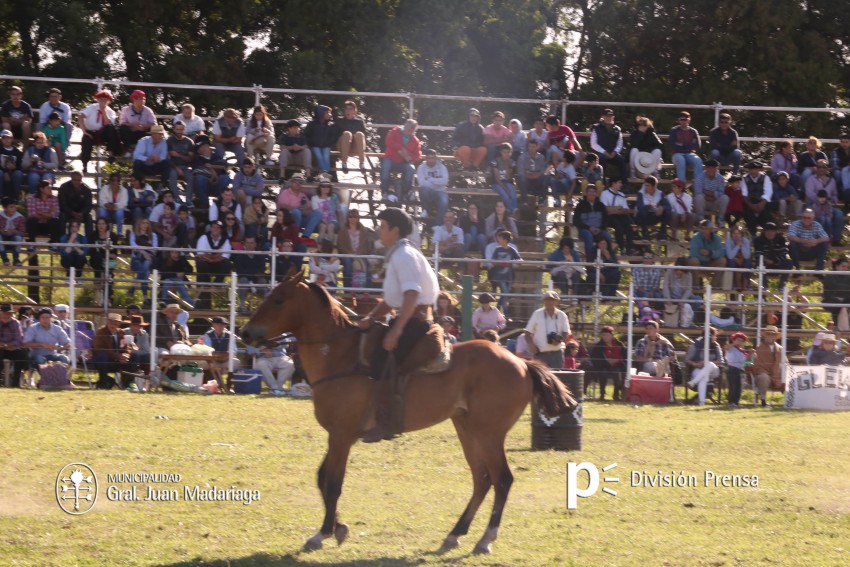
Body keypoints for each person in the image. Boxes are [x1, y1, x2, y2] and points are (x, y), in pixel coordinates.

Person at [356, 207, 439, 442]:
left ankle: (386, 422)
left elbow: (412, 294)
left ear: (395, 230)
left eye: (382, 226)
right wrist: (370, 317)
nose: (379, 230)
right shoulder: (398, 254)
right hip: (409, 316)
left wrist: (397, 330)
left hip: (415, 321)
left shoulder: (404, 256)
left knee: (382, 357)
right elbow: (393, 299)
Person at [523, 290, 571, 369]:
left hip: (557, 354)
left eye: (552, 300)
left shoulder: (562, 315)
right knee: (539, 380)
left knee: (557, 378)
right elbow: (527, 332)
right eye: (546, 299)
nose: (549, 302)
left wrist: (558, 340)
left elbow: (566, 332)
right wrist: (531, 345)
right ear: (543, 301)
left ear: (557, 301)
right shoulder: (537, 314)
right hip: (540, 354)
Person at [92, 313, 140, 389]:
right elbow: (98, 348)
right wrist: (118, 356)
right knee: (102, 355)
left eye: (116, 323)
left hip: (117, 361)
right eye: (111, 323)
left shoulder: (121, 332)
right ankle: (103, 383)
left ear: (119, 324)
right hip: (104, 361)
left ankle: (129, 384)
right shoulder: (100, 332)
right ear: (107, 322)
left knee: (134, 356)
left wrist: (126, 355)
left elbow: (126, 347)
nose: (113, 325)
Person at [77, 90, 121, 173]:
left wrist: (103, 110)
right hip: (90, 132)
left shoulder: (110, 111)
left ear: (108, 101)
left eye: (105, 100)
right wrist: (84, 131)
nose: (103, 101)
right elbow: (80, 117)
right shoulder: (92, 107)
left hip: (102, 134)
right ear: (97, 99)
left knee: (111, 129)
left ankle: (111, 154)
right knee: (85, 140)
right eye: (101, 99)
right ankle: (85, 165)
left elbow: (108, 123)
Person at [804, 160, 844, 245]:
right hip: (814, 205)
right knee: (819, 217)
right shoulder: (811, 179)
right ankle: (817, 239)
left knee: (839, 214)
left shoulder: (832, 180)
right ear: (816, 168)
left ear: (827, 169)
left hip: (828, 205)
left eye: (824, 167)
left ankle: (836, 240)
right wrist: (820, 198)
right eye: (819, 167)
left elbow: (835, 194)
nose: (821, 169)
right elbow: (809, 193)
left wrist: (834, 199)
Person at [380, 119, 421, 202]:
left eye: (412, 129)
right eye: (409, 127)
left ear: (414, 130)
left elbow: (418, 156)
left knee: (411, 168)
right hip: (390, 159)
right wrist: (400, 148)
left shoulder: (415, 141)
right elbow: (388, 141)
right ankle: (384, 192)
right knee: (385, 166)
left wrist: (409, 157)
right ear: (405, 126)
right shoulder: (395, 131)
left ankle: (405, 192)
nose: (410, 130)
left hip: (403, 163)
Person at [195, 220, 231, 310]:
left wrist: (211, 257)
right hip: (206, 264)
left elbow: (226, 256)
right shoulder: (204, 237)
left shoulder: (225, 240)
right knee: (200, 263)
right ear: (211, 228)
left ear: (221, 230)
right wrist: (214, 256)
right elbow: (200, 254)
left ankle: (217, 283)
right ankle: (206, 283)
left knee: (227, 264)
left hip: (218, 265)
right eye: (213, 227)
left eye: (217, 227)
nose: (215, 229)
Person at [685, 327, 724, 405]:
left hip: (713, 371)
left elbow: (720, 361)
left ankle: (693, 382)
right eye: (714, 335)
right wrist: (695, 364)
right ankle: (702, 402)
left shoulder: (716, 345)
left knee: (709, 364)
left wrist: (706, 363)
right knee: (703, 377)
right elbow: (687, 359)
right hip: (698, 369)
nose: (715, 337)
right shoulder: (696, 345)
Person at [276, 173, 323, 239]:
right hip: (288, 219)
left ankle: (305, 237)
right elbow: (283, 206)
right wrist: (297, 209)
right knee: (296, 212)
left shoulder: (303, 195)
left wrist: (305, 210)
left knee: (318, 214)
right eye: (296, 181)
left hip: (301, 219)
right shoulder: (285, 192)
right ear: (291, 182)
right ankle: (295, 236)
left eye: (300, 182)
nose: (298, 184)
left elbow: (309, 209)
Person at [487, 230, 522, 315]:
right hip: (499, 275)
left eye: (500, 238)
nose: (498, 240)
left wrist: (519, 261)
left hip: (508, 275)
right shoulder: (497, 249)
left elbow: (519, 258)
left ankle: (497, 310)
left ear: (505, 240)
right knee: (505, 293)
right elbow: (493, 261)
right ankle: (506, 313)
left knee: (504, 295)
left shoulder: (512, 250)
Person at [337, 208, 373, 289]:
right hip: (347, 254)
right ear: (347, 218)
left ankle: (367, 290)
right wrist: (350, 254)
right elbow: (341, 245)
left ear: (358, 218)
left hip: (361, 254)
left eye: (354, 217)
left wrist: (358, 255)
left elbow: (365, 244)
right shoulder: (343, 230)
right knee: (348, 265)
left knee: (367, 266)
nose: (352, 219)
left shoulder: (363, 229)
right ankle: (347, 289)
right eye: (350, 216)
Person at [600, 176, 636, 254]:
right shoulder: (605, 194)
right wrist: (617, 208)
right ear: (613, 183)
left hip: (620, 215)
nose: (621, 184)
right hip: (609, 217)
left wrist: (618, 210)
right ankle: (622, 247)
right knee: (618, 226)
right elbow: (605, 209)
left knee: (627, 226)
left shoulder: (621, 195)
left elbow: (626, 209)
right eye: (619, 182)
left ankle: (630, 247)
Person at [589, 326, 626, 400]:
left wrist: (617, 360)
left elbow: (625, 356)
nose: (605, 337)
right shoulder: (598, 346)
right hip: (604, 366)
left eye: (607, 335)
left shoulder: (619, 344)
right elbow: (595, 358)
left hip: (618, 366)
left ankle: (616, 395)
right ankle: (602, 394)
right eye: (603, 335)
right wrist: (606, 361)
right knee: (603, 373)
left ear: (611, 335)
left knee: (617, 374)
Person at [202, 316, 240, 389]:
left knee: (235, 362)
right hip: (213, 360)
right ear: (213, 325)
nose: (220, 326)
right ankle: (205, 384)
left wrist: (222, 358)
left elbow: (233, 351)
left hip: (226, 359)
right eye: (217, 324)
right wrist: (219, 357)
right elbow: (208, 351)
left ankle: (228, 386)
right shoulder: (207, 335)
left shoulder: (230, 336)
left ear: (225, 326)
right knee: (203, 362)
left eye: (222, 324)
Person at [590, 108, 627, 181]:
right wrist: (604, 152)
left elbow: (620, 143)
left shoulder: (617, 129)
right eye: (607, 116)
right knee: (602, 160)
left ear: (613, 117)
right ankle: (602, 183)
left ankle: (623, 183)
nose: (609, 118)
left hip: (613, 153)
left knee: (622, 161)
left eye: (610, 116)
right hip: (600, 153)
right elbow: (593, 143)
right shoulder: (596, 128)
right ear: (602, 117)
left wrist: (615, 152)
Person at [234, 235, 269, 313]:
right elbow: (239, 271)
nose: (250, 245)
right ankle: (242, 305)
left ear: (255, 244)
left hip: (257, 281)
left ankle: (265, 306)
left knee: (263, 281)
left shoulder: (260, 255)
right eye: (248, 243)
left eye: (252, 243)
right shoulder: (239, 256)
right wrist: (253, 273)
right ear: (244, 244)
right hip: (245, 280)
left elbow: (261, 270)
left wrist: (249, 272)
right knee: (243, 280)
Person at [573, 185, 611, 257]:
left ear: (596, 194)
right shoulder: (580, 205)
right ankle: (590, 260)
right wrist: (589, 228)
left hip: (599, 230)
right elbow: (576, 221)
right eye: (590, 192)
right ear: (586, 193)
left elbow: (606, 220)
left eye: (593, 192)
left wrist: (600, 229)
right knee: (588, 235)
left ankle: (608, 259)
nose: (592, 193)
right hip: (585, 231)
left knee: (607, 236)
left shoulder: (601, 205)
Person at [191, 135, 230, 204]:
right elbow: (198, 171)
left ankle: (221, 204)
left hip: (217, 184)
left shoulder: (216, 156)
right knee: (200, 179)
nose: (204, 148)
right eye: (201, 147)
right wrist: (213, 173)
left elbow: (224, 167)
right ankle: (205, 205)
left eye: (205, 146)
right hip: (203, 185)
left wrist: (211, 167)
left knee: (225, 178)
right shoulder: (197, 158)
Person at [751, 325, 783, 406]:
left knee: (789, 377)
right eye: (769, 334)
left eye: (773, 335)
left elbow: (785, 362)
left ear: (776, 337)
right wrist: (765, 372)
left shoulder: (780, 349)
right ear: (765, 336)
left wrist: (778, 373)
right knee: (764, 377)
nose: (771, 337)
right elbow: (757, 365)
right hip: (761, 374)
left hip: (777, 374)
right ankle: (763, 400)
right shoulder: (759, 348)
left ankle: (789, 401)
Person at [753, 221, 792, 289]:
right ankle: (763, 286)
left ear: (776, 232)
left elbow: (784, 253)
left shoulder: (781, 239)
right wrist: (766, 260)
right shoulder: (758, 240)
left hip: (777, 264)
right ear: (764, 231)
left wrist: (775, 261)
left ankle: (781, 286)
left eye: (772, 231)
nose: (770, 233)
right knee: (758, 263)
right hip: (765, 264)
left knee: (789, 263)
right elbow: (758, 254)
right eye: (767, 231)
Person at [692, 159, 730, 226]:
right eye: (709, 167)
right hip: (703, 203)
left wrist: (707, 192)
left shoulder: (720, 178)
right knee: (698, 197)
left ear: (717, 168)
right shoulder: (699, 177)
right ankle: (700, 220)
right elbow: (698, 193)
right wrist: (714, 195)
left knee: (725, 198)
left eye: (714, 167)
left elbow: (721, 193)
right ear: (705, 168)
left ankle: (720, 221)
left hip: (714, 203)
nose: (711, 169)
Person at [688, 220, 725, 285]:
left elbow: (721, 252)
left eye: (706, 229)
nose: (703, 230)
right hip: (698, 263)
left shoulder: (717, 238)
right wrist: (706, 255)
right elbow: (693, 253)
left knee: (722, 260)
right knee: (693, 260)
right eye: (702, 228)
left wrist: (710, 253)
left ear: (711, 229)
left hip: (711, 262)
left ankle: (714, 285)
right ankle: (696, 286)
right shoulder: (695, 238)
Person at [741, 161, 774, 236]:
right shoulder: (744, 179)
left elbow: (768, 192)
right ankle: (753, 235)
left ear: (759, 169)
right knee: (748, 214)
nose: (753, 171)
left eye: (755, 169)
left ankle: (767, 234)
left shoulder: (765, 178)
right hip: (750, 202)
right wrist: (751, 205)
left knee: (766, 215)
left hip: (763, 202)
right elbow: (744, 194)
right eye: (751, 169)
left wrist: (762, 203)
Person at [416, 149, 449, 222]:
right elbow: (421, 183)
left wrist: (430, 179)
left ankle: (437, 226)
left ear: (436, 158)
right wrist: (438, 182)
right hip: (428, 192)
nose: (431, 160)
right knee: (423, 189)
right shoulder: (421, 168)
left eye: (433, 158)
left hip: (441, 192)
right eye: (429, 158)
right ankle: (425, 210)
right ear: (426, 158)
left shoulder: (442, 167)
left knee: (444, 202)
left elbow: (445, 181)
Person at [57, 170, 94, 237]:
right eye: (74, 180)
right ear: (71, 178)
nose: (76, 182)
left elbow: (88, 205)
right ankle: (61, 240)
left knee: (89, 217)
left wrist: (82, 213)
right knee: (61, 216)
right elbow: (62, 204)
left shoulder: (87, 189)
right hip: (67, 213)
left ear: (81, 180)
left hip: (81, 214)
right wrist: (72, 213)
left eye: (78, 180)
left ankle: (90, 241)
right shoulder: (64, 187)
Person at [303, 104, 338, 176]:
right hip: (314, 146)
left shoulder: (330, 125)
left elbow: (333, 137)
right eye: (327, 112)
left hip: (326, 146)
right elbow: (305, 135)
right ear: (321, 113)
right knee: (318, 155)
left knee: (325, 156)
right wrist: (312, 143)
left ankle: (324, 172)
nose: (330, 114)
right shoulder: (311, 124)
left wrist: (328, 143)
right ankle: (325, 172)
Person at [128, 218, 158, 300]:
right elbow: (133, 246)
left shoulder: (153, 235)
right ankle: (146, 297)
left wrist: (145, 252)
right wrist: (143, 252)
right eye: (143, 223)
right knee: (145, 271)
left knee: (146, 264)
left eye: (147, 223)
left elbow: (154, 249)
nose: (145, 225)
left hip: (148, 258)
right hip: (136, 259)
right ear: (139, 224)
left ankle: (134, 286)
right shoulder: (133, 234)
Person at [668, 111, 703, 180]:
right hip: (676, 155)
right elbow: (671, 145)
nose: (684, 121)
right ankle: (681, 187)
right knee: (681, 160)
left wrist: (681, 144)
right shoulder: (674, 130)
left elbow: (697, 146)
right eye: (682, 119)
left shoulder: (693, 131)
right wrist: (689, 144)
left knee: (698, 161)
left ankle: (698, 188)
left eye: (685, 119)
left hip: (690, 154)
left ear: (689, 120)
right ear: (679, 120)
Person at [26, 180, 62, 246]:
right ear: (41, 189)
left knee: (56, 221)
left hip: (48, 226)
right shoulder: (32, 198)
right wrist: (49, 214)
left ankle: (53, 243)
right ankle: (32, 244)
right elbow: (32, 214)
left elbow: (55, 214)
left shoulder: (54, 199)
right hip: (36, 226)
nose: (51, 189)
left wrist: (41, 213)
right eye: (48, 188)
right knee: (31, 221)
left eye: (51, 188)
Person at [0, 303, 27, 388]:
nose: (7, 315)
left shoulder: (15, 323)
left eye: (9, 313)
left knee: (22, 354)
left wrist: (8, 345)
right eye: (5, 313)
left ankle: (16, 382)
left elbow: (19, 339)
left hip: (12, 348)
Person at [336, 100, 367, 173]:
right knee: (347, 133)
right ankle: (344, 163)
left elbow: (364, 136)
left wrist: (355, 136)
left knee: (359, 134)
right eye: (346, 109)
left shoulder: (359, 121)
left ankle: (362, 164)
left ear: (355, 111)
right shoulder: (340, 121)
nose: (348, 111)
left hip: (355, 147)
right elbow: (335, 135)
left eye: (350, 109)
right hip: (342, 146)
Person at [634, 175, 670, 240]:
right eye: (645, 185)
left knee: (666, 212)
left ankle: (662, 234)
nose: (646, 187)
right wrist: (649, 206)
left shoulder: (660, 193)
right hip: (642, 217)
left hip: (654, 216)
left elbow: (668, 206)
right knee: (643, 212)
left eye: (648, 185)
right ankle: (645, 234)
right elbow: (639, 207)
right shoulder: (641, 193)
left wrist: (662, 208)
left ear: (654, 186)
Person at [586, 234, 621, 298]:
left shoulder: (610, 251)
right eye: (601, 244)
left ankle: (611, 295)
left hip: (607, 272)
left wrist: (608, 257)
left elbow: (616, 266)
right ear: (598, 244)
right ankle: (596, 294)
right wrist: (598, 273)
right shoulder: (592, 251)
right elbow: (589, 265)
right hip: (595, 272)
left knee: (616, 273)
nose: (603, 246)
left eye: (604, 244)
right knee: (591, 276)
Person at [166, 120, 195, 197]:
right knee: (172, 175)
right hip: (173, 166)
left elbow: (190, 159)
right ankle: (176, 199)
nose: (179, 131)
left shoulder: (189, 142)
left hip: (186, 167)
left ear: (184, 129)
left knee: (191, 177)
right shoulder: (169, 141)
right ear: (174, 129)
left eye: (181, 129)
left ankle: (189, 200)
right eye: (177, 129)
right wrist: (176, 168)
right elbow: (168, 158)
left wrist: (178, 155)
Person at [516, 138, 549, 203]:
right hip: (526, 181)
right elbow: (521, 172)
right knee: (521, 178)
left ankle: (542, 199)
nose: (531, 148)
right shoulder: (522, 157)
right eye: (529, 146)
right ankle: (524, 201)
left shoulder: (541, 157)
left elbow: (543, 171)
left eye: (533, 147)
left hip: (537, 180)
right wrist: (533, 174)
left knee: (546, 177)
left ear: (537, 147)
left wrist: (532, 174)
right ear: (527, 147)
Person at [632, 251, 664, 316]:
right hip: (639, 293)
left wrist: (651, 292)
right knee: (645, 296)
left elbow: (656, 285)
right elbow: (637, 286)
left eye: (649, 257)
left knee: (659, 297)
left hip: (653, 292)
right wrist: (648, 293)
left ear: (652, 259)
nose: (647, 259)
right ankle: (644, 316)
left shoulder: (657, 269)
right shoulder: (636, 269)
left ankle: (658, 317)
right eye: (645, 257)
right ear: (643, 258)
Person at [821, 256, 850, 326]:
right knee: (838, 304)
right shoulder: (829, 276)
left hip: (845, 300)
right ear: (837, 266)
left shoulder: (848, 275)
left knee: (843, 305)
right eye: (843, 266)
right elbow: (834, 287)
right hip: (830, 300)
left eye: (847, 267)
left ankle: (839, 327)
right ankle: (838, 327)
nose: (845, 269)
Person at [490, 143, 519, 212]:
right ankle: (514, 211)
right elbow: (497, 179)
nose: (506, 154)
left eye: (508, 152)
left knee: (513, 195)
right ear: (500, 152)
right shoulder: (495, 162)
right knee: (505, 195)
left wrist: (507, 164)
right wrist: (506, 190)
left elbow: (508, 177)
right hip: (496, 183)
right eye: (504, 152)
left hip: (507, 182)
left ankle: (512, 210)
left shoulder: (512, 162)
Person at [312, 177, 340, 243]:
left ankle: (329, 248)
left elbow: (339, 211)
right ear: (320, 188)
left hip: (333, 221)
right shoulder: (314, 198)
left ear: (330, 188)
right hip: (320, 221)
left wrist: (342, 225)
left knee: (330, 226)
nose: (325, 188)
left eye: (327, 186)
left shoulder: (334, 197)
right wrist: (325, 221)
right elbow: (317, 213)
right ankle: (320, 247)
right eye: (323, 186)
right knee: (323, 226)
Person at [725, 331, 748, 408]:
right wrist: (734, 344)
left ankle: (736, 402)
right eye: (738, 340)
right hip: (732, 369)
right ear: (733, 340)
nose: (739, 342)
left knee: (739, 387)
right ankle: (731, 402)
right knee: (733, 386)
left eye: (741, 341)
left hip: (740, 370)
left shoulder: (742, 351)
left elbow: (745, 362)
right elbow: (725, 347)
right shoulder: (731, 348)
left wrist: (751, 354)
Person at [725, 224, 752, 291]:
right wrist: (737, 246)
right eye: (734, 233)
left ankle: (746, 282)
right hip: (733, 261)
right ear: (731, 234)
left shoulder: (746, 241)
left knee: (748, 261)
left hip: (743, 261)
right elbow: (730, 256)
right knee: (731, 261)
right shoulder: (728, 241)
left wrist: (741, 246)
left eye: (738, 233)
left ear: (741, 234)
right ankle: (735, 283)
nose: (736, 235)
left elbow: (746, 256)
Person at [0, 196, 25, 265]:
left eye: (14, 207)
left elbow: (22, 232)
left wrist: (14, 231)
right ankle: (5, 259)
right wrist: (3, 231)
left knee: (18, 237)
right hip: (3, 237)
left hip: (13, 239)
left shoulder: (20, 217)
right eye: (11, 207)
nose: (13, 209)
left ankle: (16, 259)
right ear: (5, 208)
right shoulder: (0, 216)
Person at [0, 129, 24, 200]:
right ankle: (0, 196)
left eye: (9, 138)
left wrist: (14, 167)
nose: (7, 140)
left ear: (12, 139)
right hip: (2, 171)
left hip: (13, 171)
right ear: (1, 139)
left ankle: (15, 196)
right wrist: (5, 172)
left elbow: (20, 166)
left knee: (18, 173)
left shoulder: (17, 151)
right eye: (4, 138)